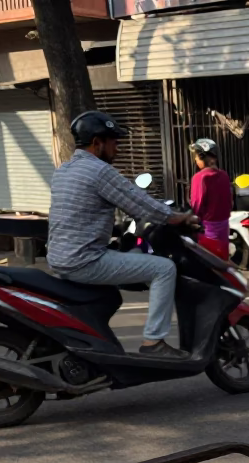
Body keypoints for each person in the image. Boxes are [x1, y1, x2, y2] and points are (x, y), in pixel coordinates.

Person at [47, 111, 198, 359]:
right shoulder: (99, 171)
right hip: (84, 260)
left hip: (60, 257)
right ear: (97, 143)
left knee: (135, 255)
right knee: (164, 269)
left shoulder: (63, 171)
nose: (117, 149)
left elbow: (81, 211)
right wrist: (179, 218)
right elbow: (140, 203)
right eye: (114, 142)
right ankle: (154, 342)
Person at [189, 138, 231, 260]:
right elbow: (228, 201)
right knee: (222, 259)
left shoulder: (199, 178)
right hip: (224, 226)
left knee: (207, 261)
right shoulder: (223, 175)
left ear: (202, 157)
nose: (195, 160)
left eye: (196, 157)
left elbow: (197, 205)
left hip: (207, 229)